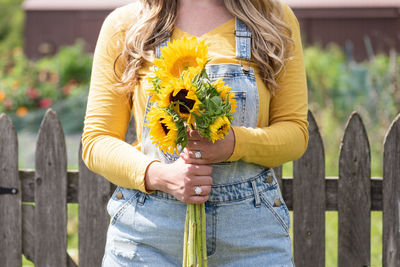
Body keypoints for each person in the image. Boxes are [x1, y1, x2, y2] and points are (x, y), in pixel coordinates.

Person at [81, 0, 308, 266]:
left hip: (251, 239)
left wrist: (234, 143)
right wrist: (160, 175)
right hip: (147, 241)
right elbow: (97, 141)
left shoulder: (271, 18)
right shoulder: (126, 25)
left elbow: (295, 133)